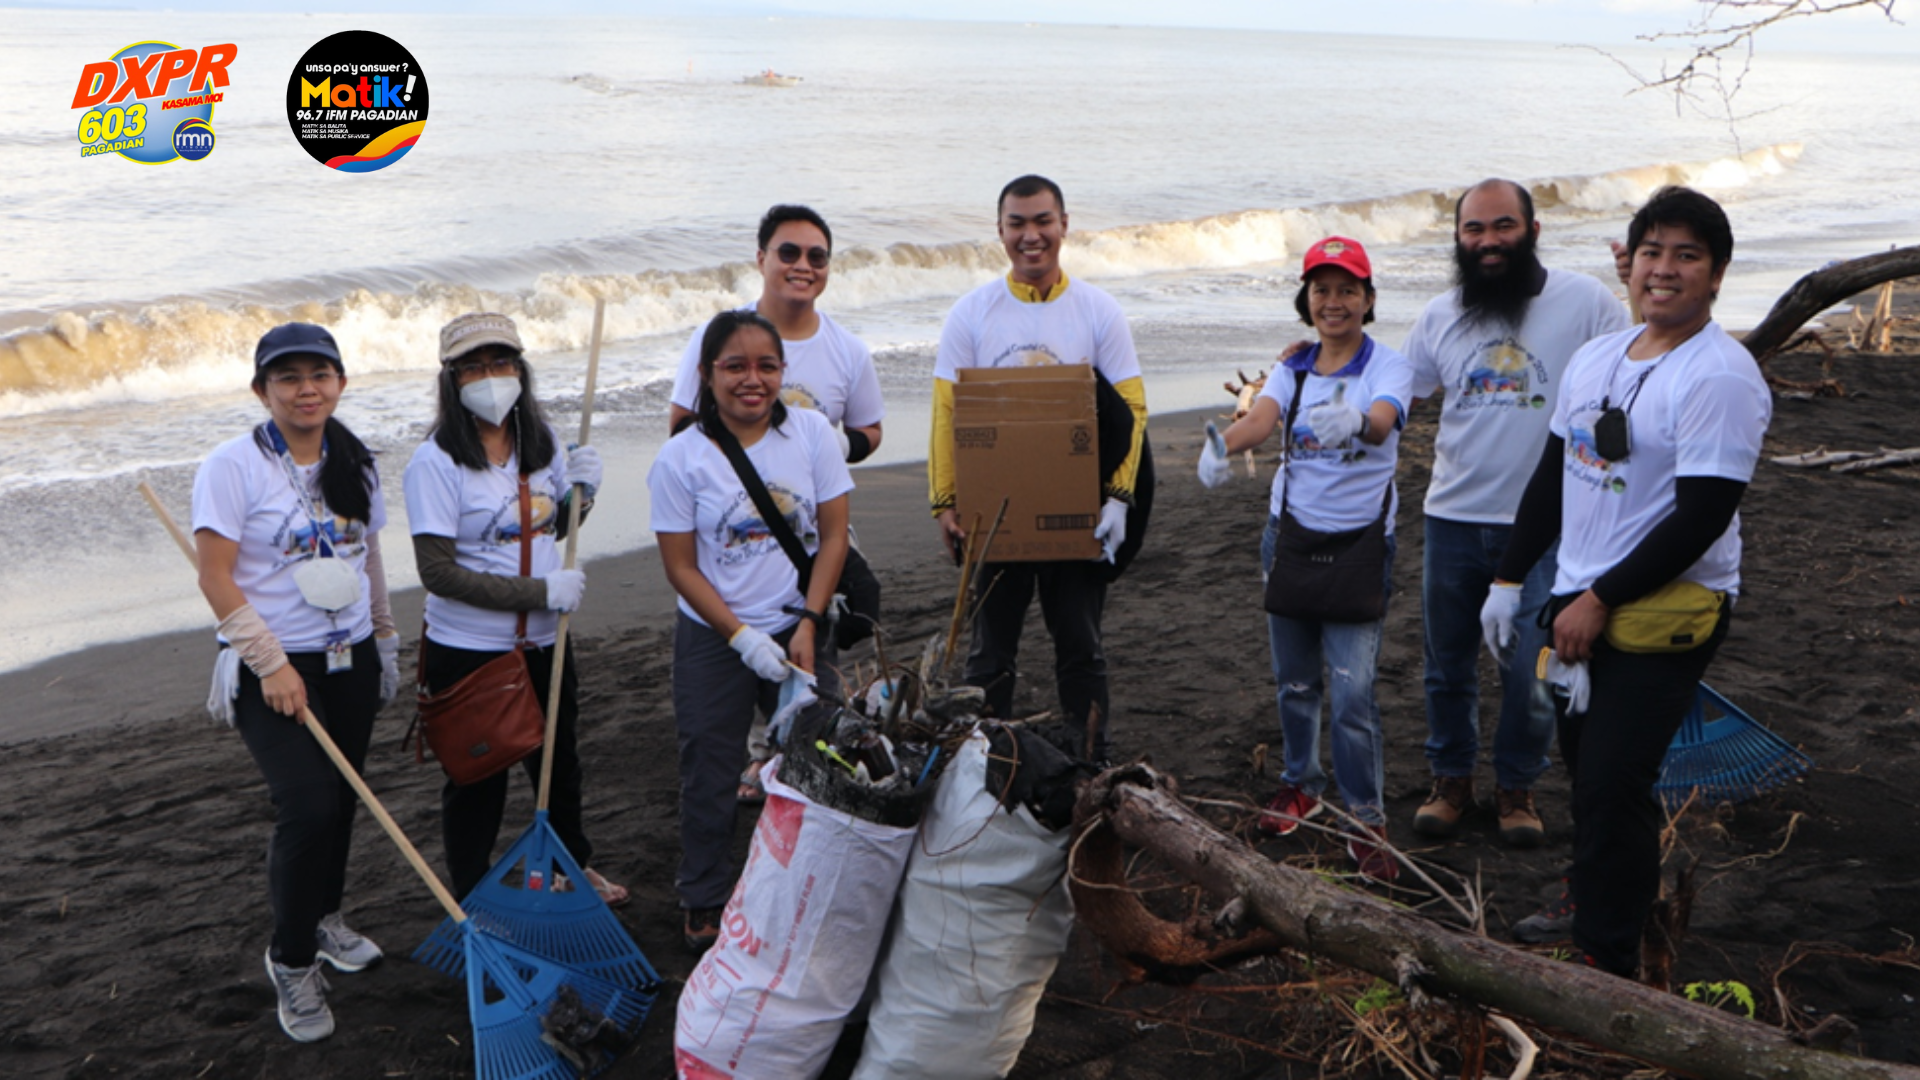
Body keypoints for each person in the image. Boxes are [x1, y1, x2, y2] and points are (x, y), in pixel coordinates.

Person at [1485, 187, 1770, 974]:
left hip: (1664, 610)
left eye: (1687, 256)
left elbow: (1702, 516)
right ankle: (1603, 898)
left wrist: (1600, 599)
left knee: (1615, 779)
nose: (1664, 270)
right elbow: (1553, 475)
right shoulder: (1598, 356)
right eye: (1651, 251)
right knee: (1590, 774)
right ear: (1631, 262)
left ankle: (1606, 966)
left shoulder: (1720, 376)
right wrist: (1509, 580)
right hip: (1575, 597)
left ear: (1716, 275)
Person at [1403, 179, 1631, 847]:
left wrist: (1639, 283)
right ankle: (1450, 780)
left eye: (1503, 226)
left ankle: (1516, 787)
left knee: (1532, 670)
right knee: (1446, 665)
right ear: (1458, 239)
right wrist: (1306, 370)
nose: (1488, 241)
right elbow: (1395, 392)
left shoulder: (1586, 302)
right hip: (1449, 517)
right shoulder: (1440, 315)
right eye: (1474, 230)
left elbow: (1644, 356)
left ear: (1533, 231)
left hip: (1545, 528)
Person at [191, 322, 399, 1042]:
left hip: (351, 656)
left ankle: (325, 917)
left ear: (340, 382)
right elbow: (213, 577)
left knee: (343, 802)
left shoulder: (354, 460)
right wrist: (271, 664)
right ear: (262, 391)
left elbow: (367, 555)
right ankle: (292, 958)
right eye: (288, 378)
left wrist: (387, 638)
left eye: (320, 374)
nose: (306, 389)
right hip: (272, 665)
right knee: (307, 807)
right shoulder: (233, 465)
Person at [1198, 237, 1414, 883]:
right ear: (1307, 301)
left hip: (1358, 546)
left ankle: (1366, 815)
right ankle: (1301, 784)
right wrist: (1222, 448)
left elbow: (1382, 418)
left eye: (1347, 289)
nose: (1334, 301)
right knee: (1295, 684)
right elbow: (1261, 421)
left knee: (1352, 696)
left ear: (1369, 299)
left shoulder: (1389, 366)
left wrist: (1363, 426)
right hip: (1288, 540)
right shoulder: (1292, 366)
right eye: (1321, 290)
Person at [403, 312, 626, 909]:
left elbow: (557, 528)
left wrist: (586, 494)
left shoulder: (543, 444)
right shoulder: (436, 462)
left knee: (558, 761)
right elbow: (438, 573)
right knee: (478, 778)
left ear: (520, 370)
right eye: (474, 367)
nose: (490, 377)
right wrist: (539, 593)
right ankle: (472, 895)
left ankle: (571, 866)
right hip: (471, 649)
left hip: (547, 640)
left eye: (501, 363)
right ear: (451, 380)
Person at [667, 204, 884, 803]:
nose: (802, 266)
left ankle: (788, 769)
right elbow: (682, 426)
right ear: (760, 258)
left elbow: (870, 431)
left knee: (813, 666)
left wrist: (837, 443)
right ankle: (752, 761)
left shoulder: (847, 351)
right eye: (788, 252)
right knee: (729, 656)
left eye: (817, 256)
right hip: (729, 533)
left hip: (809, 533)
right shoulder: (718, 336)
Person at [928, 174, 1149, 763]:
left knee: (1081, 646)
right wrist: (944, 502)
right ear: (999, 230)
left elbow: (1132, 410)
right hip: (996, 519)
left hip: (1073, 514)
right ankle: (982, 761)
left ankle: (1090, 760)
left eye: (1043, 221)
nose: (1032, 236)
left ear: (1065, 224)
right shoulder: (972, 315)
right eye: (1017, 223)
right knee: (989, 653)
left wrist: (1119, 500)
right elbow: (947, 412)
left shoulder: (1098, 312)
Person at [649, 309, 851, 951]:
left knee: (824, 760)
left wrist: (810, 623)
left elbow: (835, 535)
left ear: (782, 371)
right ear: (708, 376)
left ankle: (822, 883)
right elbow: (681, 567)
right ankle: (705, 898)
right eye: (734, 367)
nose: (751, 380)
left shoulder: (813, 433)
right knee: (708, 767)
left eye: (766, 366)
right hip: (715, 637)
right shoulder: (682, 459)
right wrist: (740, 637)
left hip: (802, 627)